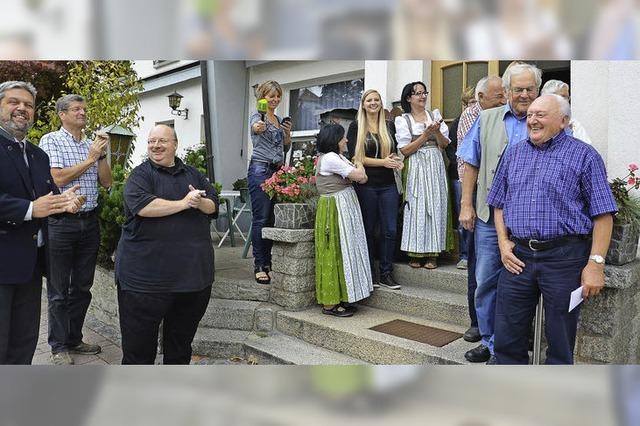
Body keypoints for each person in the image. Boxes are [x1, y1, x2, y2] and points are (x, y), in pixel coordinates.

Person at [487, 94, 617, 364]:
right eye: (531, 114)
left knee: (560, 339)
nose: (532, 120)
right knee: (507, 335)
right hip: (518, 256)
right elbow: (498, 203)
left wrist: (595, 264)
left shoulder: (585, 156)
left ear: (563, 121)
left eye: (541, 115)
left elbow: (603, 214)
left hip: (564, 258)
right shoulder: (514, 153)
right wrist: (502, 242)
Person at [457, 63, 542, 364]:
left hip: (531, 221)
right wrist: (466, 204)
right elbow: (471, 162)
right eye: (517, 89)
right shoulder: (486, 118)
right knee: (485, 282)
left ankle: (517, 344)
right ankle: (492, 343)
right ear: (506, 91)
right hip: (488, 218)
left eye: (529, 89)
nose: (523, 94)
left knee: (524, 285)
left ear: (538, 90)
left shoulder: (544, 118)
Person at [115, 124, 218, 364]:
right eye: (151, 141)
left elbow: (213, 204)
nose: (155, 146)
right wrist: (184, 203)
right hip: (144, 284)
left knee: (180, 347)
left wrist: (200, 202)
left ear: (175, 144)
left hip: (192, 282)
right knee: (138, 352)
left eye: (162, 141)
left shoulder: (193, 174)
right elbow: (143, 207)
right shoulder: (140, 175)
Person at [0, 81, 83, 364]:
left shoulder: (38, 155)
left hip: (31, 264)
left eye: (28, 105)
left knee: (24, 342)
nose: (22, 109)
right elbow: (34, 207)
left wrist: (64, 205)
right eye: (14, 102)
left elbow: (48, 201)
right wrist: (30, 208)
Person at [39, 94, 113, 365]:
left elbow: (107, 182)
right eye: (76, 109)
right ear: (62, 114)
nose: (83, 113)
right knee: (58, 290)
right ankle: (58, 346)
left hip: (89, 222)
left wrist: (101, 155)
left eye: (84, 108)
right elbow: (57, 177)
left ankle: (74, 339)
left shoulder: (92, 145)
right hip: (61, 223)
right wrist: (90, 158)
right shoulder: (51, 140)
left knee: (82, 287)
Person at [456, 75, 506, 344]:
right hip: (476, 193)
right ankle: (478, 323)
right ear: (481, 98)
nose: (503, 100)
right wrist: (468, 203)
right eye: (498, 96)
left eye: (504, 94)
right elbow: (467, 162)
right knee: (478, 263)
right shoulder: (473, 116)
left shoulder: (510, 117)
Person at [346, 89, 403, 290]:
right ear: (363, 104)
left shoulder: (388, 125)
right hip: (366, 185)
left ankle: (386, 274)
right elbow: (356, 157)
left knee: (390, 230)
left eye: (376, 100)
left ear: (381, 103)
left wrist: (396, 162)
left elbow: (392, 153)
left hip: (388, 185)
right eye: (369, 100)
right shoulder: (355, 127)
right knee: (369, 230)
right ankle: (369, 273)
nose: (373, 103)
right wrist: (383, 163)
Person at [315, 124, 372, 317]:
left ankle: (342, 297)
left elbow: (361, 179)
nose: (346, 140)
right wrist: (360, 163)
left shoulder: (337, 157)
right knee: (334, 250)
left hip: (343, 207)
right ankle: (330, 304)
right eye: (343, 138)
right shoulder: (330, 158)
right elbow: (360, 176)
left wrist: (357, 166)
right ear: (334, 140)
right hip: (335, 208)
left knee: (344, 251)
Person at [395, 81, 451, 270]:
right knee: (416, 206)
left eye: (424, 92)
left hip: (435, 163)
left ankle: (433, 254)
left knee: (435, 205)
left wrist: (436, 134)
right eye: (417, 93)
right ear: (409, 98)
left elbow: (444, 144)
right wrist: (425, 135)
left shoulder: (434, 115)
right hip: (416, 164)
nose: (422, 96)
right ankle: (415, 252)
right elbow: (405, 150)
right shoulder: (403, 120)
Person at [248, 80, 292, 284]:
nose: (275, 99)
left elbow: (285, 148)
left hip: (277, 171)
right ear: (262, 97)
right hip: (260, 169)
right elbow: (256, 128)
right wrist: (260, 124)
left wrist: (287, 133)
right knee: (261, 218)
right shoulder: (259, 116)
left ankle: (268, 263)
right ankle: (259, 264)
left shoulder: (280, 118)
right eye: (270, 96)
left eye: (277, 96)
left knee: (272, 220)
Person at [447, 85, 475, 271]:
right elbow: (451, 149)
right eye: (471, 102)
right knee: (463, 216)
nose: (475, 106)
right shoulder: (458, 123)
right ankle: (464, 254)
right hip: (459, 177)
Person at [540, 79, 592, 144]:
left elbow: (587, 149)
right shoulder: (537, 123)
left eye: (567, 98)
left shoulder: (574, 125)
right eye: (562, 97)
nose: (566, 101)